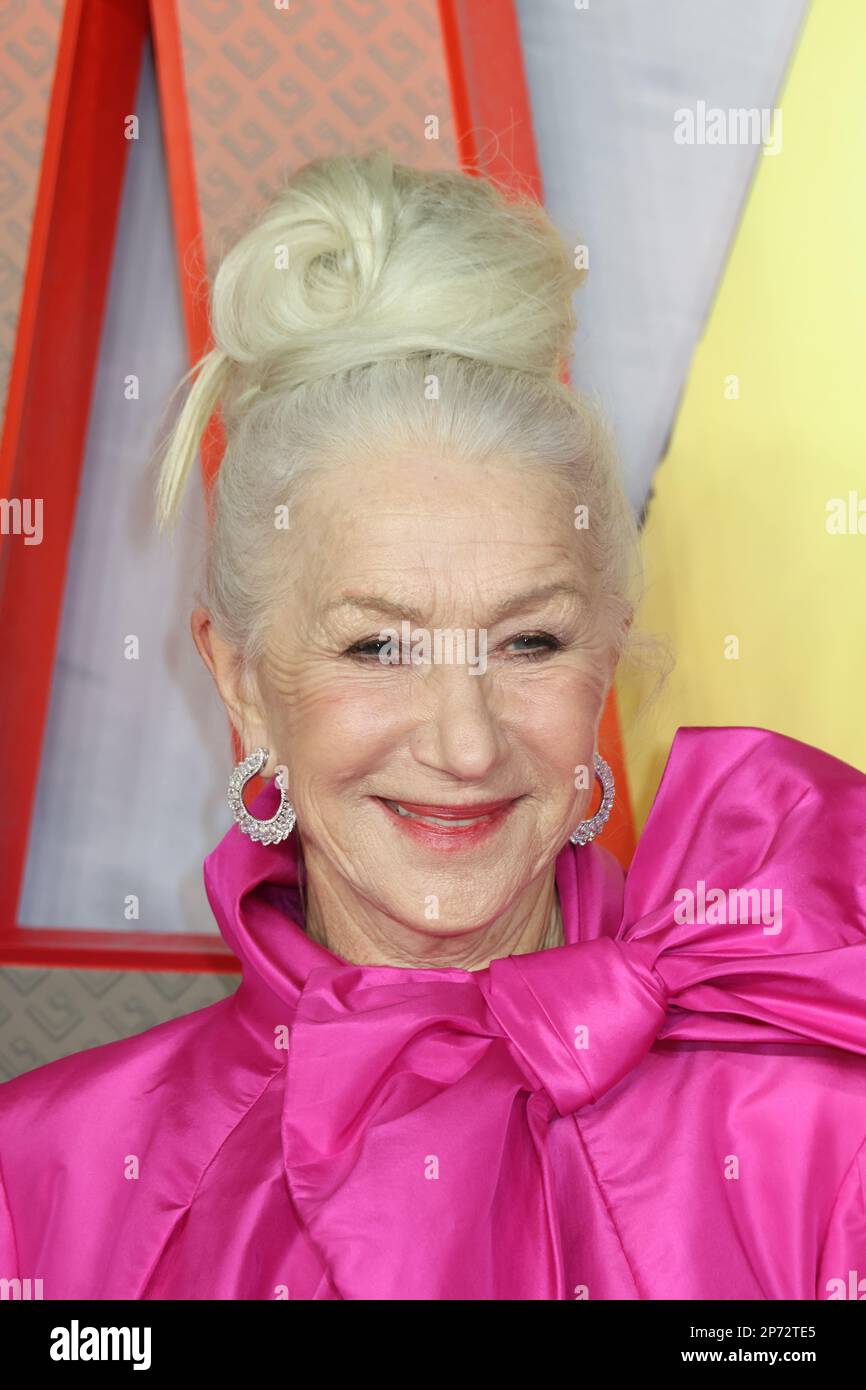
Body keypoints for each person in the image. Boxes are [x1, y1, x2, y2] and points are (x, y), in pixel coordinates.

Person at [1, 149, 865, 1301]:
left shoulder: (825, 1145)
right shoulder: (42, 1180)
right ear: (244, 680)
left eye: (528, 644)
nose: (463, 744)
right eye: (377, 646)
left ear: (604, 656)